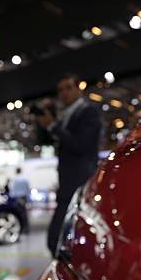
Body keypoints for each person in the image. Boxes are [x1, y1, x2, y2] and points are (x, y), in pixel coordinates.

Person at [36, 73, 102, 256]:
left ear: (78, 89)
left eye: (68, 88)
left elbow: (81, 145)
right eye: (60, 90)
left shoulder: (88, 112)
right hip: (67, 182)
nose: (63, 93)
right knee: (62, 238)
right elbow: (44, 141)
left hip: (80, 181)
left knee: (57, 238)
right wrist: (43, 122)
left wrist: (54, 126)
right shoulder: (63, 116)